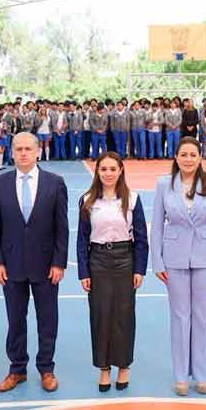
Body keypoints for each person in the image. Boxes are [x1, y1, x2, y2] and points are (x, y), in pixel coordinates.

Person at [0, 132, 68, 394]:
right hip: (11, 265)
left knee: (48, 319)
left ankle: (47, 368)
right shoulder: (0, 184)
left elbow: (62, 227)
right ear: (11, 152)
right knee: (15, 319)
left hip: (46, 264)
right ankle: (17, 369)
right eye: (18, 149)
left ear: (37, 152)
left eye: (27, 149)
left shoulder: (55, 183)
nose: (23, 153)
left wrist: (59, 262)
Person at [151, 137, 206, 395]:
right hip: (173, 259)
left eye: (192, 154)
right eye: (183, 154)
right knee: (180, 317)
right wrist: (157, 261)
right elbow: (156, 226)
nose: (188, 159)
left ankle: (202, 373)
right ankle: (181, 375)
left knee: (202, 317)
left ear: (199, 158)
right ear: (175, 157)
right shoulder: (164, 184)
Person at [77, 152, 148, 392]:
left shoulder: (133, 200)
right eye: (103, 169)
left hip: (124, 260)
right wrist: (83, 272)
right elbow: (81, 239)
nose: (108, 173)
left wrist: (139, 268)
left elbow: (141, 238)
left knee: (124, 315)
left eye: (112, 169)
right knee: (100, 314)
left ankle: (123, 366)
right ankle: (104, 368)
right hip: (98, 260)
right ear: (97, 172)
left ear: (120, 171)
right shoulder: (87, 200)